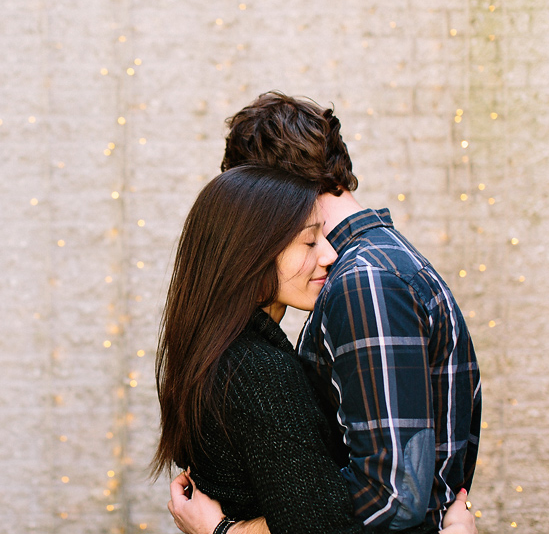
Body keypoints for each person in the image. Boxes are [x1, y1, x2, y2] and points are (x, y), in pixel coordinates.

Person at [167, 92, 482, 534]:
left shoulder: (365, 281)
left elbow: (390, 499)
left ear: (275, 190)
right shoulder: (375, 267)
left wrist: (228, 532)